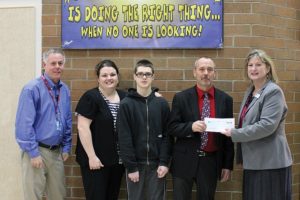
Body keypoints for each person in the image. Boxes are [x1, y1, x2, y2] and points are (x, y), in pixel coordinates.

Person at [220, 49, 292, 200]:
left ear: (268, 68)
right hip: (254, 162)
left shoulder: (273, 92)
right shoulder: (250, 91)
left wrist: (234, 133)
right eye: (250, 65)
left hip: (270, 163)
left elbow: (267, 125)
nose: (253, 69)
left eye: (258, 64)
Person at [168, 57, 234, 200]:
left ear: (214, 73)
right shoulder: (181, 97)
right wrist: (190, 127)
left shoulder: (225, 99)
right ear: (194, 72)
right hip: (184, 160)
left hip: (210, 162)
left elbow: (228, 136)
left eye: (209, 70)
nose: (206, 73)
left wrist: (227, 165)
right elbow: (172, 128)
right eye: (202, 69)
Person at [15, 48, 72, 200]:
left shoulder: (65, 90)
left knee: (58, 195)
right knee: (34, 196)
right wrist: (33, 153)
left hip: (56, 152)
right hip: (36, 151)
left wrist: (66, 146)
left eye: (60, 63)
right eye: (53, 63)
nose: (57, 66)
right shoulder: (32, 89)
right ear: (44, 64)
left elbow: (67, 120)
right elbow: (24, 125)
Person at [117, 59, 172, 200]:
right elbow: (124, 138)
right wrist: (131, 167)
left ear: (153, 76)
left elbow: (168, 135)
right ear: (134, 76)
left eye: (148, 74)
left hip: (157, 166)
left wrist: (164, 162)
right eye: (140, 74)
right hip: (136, 166)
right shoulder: (126, 104)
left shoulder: (162, 104)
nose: (144, 77)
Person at [75, 60, 126, 200]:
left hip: (117, 161)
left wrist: (155, 95)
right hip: (96, 162)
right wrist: (92, 157)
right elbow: (82, 127)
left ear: (118, 76)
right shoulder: (90, 97)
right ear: (98, 78)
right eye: (104, 75)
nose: (109, 78)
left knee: (112, 196)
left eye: (112, 74)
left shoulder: (124, 97)